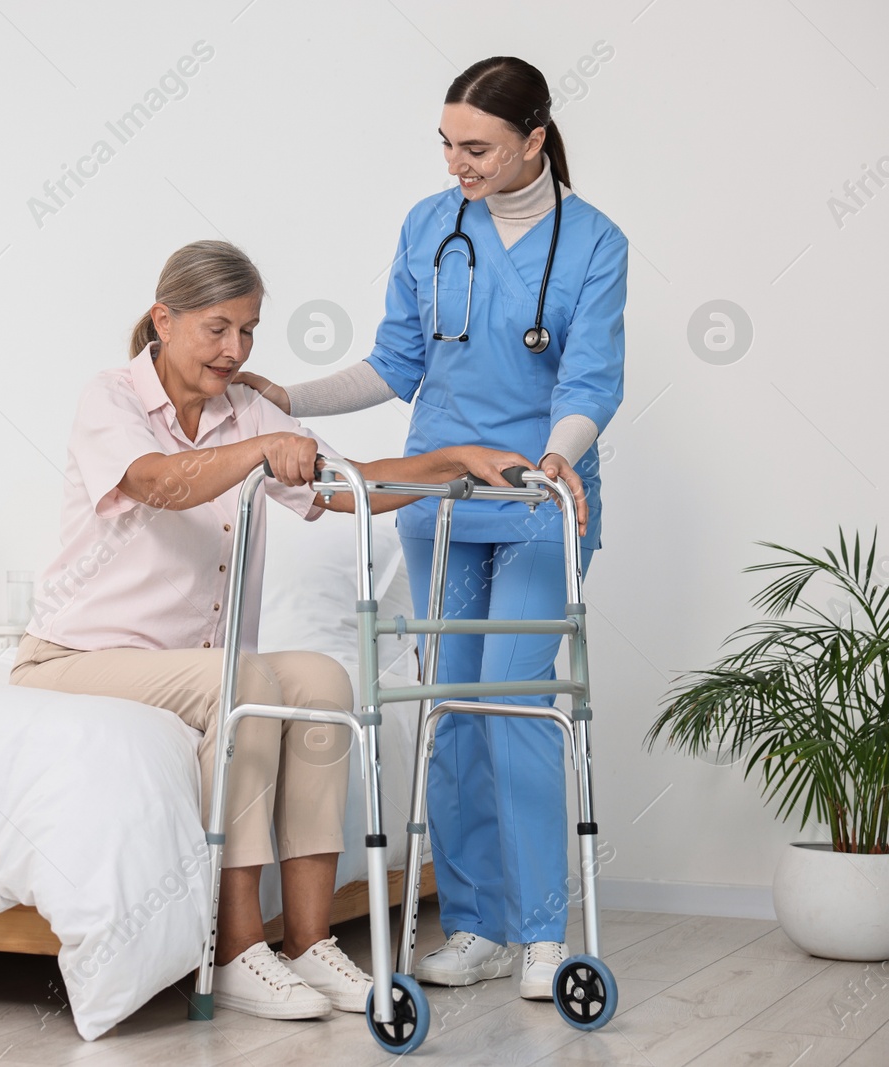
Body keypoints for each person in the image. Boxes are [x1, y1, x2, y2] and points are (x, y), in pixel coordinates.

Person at [10, 239, 578, 1021]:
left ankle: (309, 943)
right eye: (216, 329)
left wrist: (452, 459)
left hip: (187, 663)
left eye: (247, 331)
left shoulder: (242, 407)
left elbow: (350, 489)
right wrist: (261, 450)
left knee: (319, 680)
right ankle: (239, 947)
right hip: (75, 657)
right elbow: (156, 483)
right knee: (247, 681)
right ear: (162, 320)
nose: (234, 350)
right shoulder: (108, 397)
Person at [237, 57, 626, 1001]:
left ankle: (542, 931)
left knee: (514, 702)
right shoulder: (430, 225)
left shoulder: (595, 242)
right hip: (440, 503)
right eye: (448, 144)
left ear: (535, 139)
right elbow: (395, 363)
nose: (459, 162)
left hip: (537, 497)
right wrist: (289, 393)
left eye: (479, 146)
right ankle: (480, 924)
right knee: (451, 708)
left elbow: (590, 383)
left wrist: (560, 455)